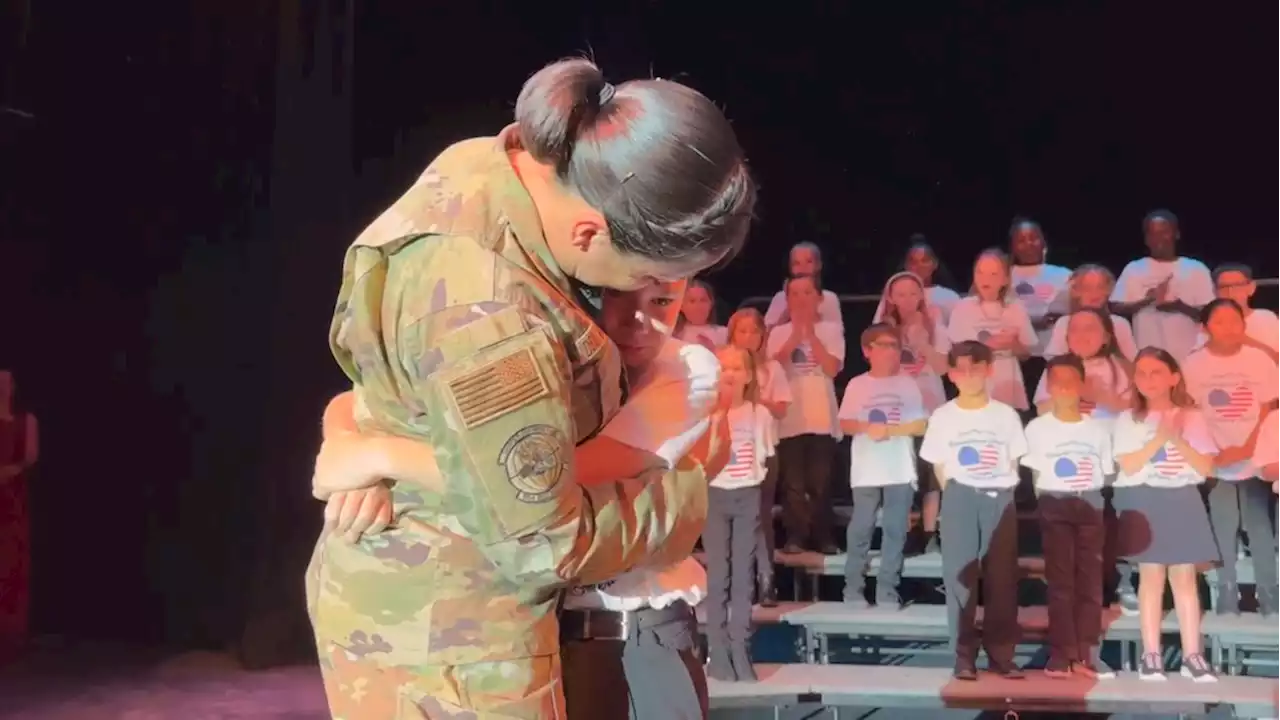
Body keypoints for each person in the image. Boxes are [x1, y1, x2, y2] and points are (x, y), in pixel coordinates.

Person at [310, 57, 756, 718]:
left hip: (424, 612)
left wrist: (362, 439)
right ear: (590, 231)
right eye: (637, 276)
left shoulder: (501, 168)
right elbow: (544, 536)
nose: (637, 306)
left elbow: (392, 395)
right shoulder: (492, 316)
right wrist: (689, 493)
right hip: (457, 642)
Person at [315, 279, 730, 719]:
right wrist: (348, 449)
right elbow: (362, 401)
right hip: (533, 637)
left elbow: (545, 483)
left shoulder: (686, 368)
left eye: (662, 302)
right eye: (614, 296)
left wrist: (380, 455)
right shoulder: (554, 354)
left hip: (634, 639)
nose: (638, 322)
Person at [919, 341, 1027, 680]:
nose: (968, 376)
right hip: (961, 498)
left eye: (976, 368)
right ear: (951, 375)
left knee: (1001, 580)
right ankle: (963, 656)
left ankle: (1001, 654)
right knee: (961, 578)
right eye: (961, 370)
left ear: (989, 370)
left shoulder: (1005, 415)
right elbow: (938, 465)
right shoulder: (943, 416)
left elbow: (1014, 459)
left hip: (998, 498)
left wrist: (998, 488)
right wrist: (958, 491)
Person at [1111, 348, 1219, 682]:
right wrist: (1160, 438)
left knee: (1185, 578)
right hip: (1143, 498)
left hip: (1181, 497)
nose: (1147, 380)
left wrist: (1177, 438)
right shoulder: (1128, 418)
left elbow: (1204, 467)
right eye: (1141, 373)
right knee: (1151, 578)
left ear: (1174, 377)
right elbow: (1128, 464)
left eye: (1156, 372)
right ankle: (1152, 654)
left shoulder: (1193, 416)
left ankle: (1192, 655)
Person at [1181, 298, 1280, 615]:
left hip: (1255, 457)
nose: (1228, 328)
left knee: (1259, 527)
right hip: (1215, 460)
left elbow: (1268, 409)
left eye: (1234, 321)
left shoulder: (1260, 360)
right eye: (1219, 321)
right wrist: (1213, 453)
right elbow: (1190, 412)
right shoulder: (1193, 364)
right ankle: (1226, 597)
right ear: (1205, 327)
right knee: (1222, 527)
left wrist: (1249, 448)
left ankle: (1270, 599)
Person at [1022, 354, 1115, 679]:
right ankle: (1061, 655)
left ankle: (1087, 655)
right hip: (1054, 503)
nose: (1064, 388)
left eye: (1070, 381)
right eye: (1056, 382)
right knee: (1061, 583)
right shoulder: (1037, 427)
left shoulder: (1098, 429)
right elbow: (1034, 475)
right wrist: (1047, 503)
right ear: (1048, 386)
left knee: (1090, 582)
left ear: (1081, 385)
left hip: (1089, 503)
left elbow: (1104, 474)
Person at [837, 324, 927, 609]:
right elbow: (846, 423)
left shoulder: (907, 384)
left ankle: (887, 589)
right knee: (861, 526)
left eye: (894, 346)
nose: (890, 352)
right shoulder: (858, 384)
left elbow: (920, 423)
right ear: (867, 351)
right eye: (883, 345)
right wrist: (868, 427)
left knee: (895, 528)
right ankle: (853, 588)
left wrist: (889, 431)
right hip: (866, 470)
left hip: (899, 468)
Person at [703, 344, 774, 682]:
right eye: (724, 368)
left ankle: (740, 647)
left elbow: (764, 459)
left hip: (746, 496)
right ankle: (717, 651)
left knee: (744, 577)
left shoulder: (760, 415)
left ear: (748, 376)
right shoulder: (705, 412)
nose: (730, 374)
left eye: (737, 368)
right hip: (714, 496)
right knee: (719, 577)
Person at [768, 273, 845, 555]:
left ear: (819, 298)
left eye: (807, 293)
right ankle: (796, 536)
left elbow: (832, 368)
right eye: (794, 294)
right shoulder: (777, 332)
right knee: (793, 483)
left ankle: (824, 536)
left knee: (821, 482)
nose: (801, 299)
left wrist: (809, 335)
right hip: (789, 417)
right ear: (787, 300)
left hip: (821, 416)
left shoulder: (831, 329)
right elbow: (772, 367)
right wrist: (793, 337)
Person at [874, 270, 951, 552]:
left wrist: (922, 343)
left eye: (912, 293)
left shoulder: (935, 325)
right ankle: (902, 532)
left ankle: (930, 531)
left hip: (929, 405)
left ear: (921, 295)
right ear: (891, 297)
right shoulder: (883, 327)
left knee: (929, 471)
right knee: (900, 471)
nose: (907, 299)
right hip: (895, 408)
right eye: (900, 294)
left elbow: (943, 367)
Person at [725, 308, 790, 607]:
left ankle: (766, 579)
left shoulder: (771, 369)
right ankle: (737, 582)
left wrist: (751, 398)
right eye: (742, 331)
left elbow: (781, 409)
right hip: (728, 456)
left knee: (760, 518)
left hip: (762, 451)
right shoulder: (725, 366)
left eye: (754, 331)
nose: (748, 337)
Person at [1111, 210, 1214, 362]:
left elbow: (1210, 314)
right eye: (1152, 233)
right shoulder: (1134, 268)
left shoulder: (1196, 268)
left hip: (1191, 354)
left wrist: (1179, 306)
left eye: (1164, 232)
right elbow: (1115, 308)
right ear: (1146, 239)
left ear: (1176, 234)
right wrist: (1148, 300)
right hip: (1149, 355)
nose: (1158, 238)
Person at [947, 248, 1037, 411]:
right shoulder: (963, 307)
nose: (985, 279)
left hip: (1007, 382)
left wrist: (1014, 344)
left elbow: (1026, 354)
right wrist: (983, 347)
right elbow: (954, 350)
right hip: (974, 380)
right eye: (980, 273)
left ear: (1005, 279)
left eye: (993, 274)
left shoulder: (1015, 307)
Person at [1007, 217, 1072, 391]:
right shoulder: (1004, 276)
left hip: (1055, 354)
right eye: (1021, 240)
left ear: (1043, 241)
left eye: (1034, 238)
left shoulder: (1064, 274)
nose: (1029, 244)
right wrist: (1032, 322)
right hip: (1016, 357)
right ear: (1012, 247)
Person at [0, 370, 38, 665]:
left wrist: (9, 471)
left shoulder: (27, 420)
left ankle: (11, 638)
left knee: (11, 561)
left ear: (13, 387)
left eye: (5, 382)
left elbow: (30, 457)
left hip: (12, 497)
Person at [1044, 265, 1139, 360]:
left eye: (1100, 287)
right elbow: (1053, 360)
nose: (1094, 294)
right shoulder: (1064, 323)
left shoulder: (1119, 324)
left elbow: (1133, 361)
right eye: (1087, 288)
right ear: (1076, 292)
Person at [1191, 263, 1280, 361]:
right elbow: (1194, 361)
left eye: (1237, 285)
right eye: (1223, 287)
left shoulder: (1267, 318)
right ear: (1215, 291)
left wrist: (1241, 338)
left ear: (1251, 288)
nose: (1230, 292)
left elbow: (1276, 359)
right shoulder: (1209, 323)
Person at [763, 242, 844, 327]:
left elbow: (835, 334)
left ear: (819, 265)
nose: (802, 269)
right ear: (790, 268)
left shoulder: (829, 298)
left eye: (809, 262)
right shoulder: (780, 298)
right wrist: (789, 309)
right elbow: (766, 335)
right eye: (796, 263)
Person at [903, 236, 962, 324]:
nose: (919, 266)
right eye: (914, 262)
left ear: (935, 264)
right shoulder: (894, 295)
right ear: (906, 265)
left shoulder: (949, 297)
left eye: (924, 260)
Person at [675, 279, 729, 351]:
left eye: (703, 300)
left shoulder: (725, 333)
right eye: (692, 301)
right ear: (681, 306)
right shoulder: (673, 335)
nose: (698, 306)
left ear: (711, 303)